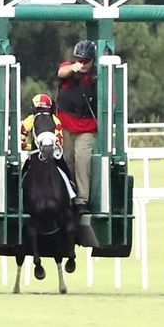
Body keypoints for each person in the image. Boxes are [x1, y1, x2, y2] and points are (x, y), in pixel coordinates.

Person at [56, 39, 98, 212]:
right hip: (66, 124)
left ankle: (82, 200)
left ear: (93, 61)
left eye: (86, 61)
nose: (82, 64)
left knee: (82, 159)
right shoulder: (69, 69)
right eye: (79, 60)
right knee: (66, 160)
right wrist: (73, 68)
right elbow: (61, 72)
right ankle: (68, 196)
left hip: (87, 127)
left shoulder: (97, 76)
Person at [21, 93, 78, 202]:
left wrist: (51, 147)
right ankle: (18, 194)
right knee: (23, 171)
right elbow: (20, 138)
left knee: (62, 166)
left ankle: (70, 187)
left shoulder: (55, 120)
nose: (42, 111)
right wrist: (30, 148)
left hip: (52, 152)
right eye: (40, 109)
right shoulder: (29, 120)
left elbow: (59, 140)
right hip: (33, 153)